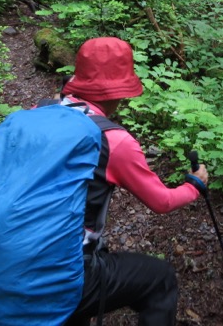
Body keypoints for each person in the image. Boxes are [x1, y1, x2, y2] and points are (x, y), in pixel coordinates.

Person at [56, 37, 209, 326]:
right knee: (160, 280)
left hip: (10, 255)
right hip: (62, 270)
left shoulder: (39, 114)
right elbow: (161, 201)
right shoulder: (114, 141)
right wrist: (194, 186)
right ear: (119, 91)